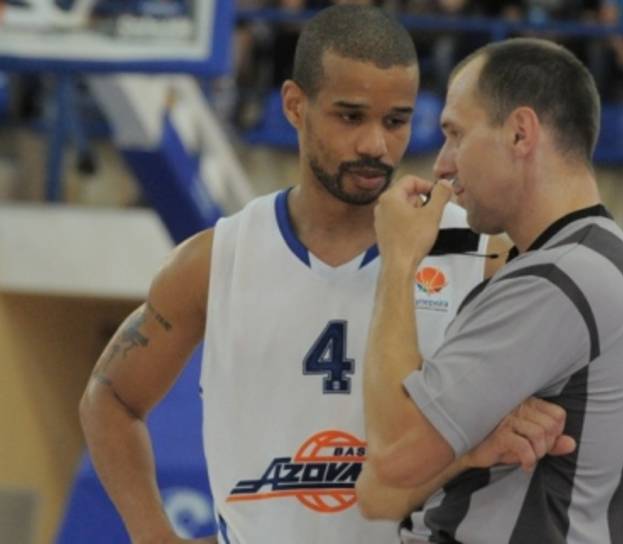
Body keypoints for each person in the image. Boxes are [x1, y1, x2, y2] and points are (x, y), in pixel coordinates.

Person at [78, 6, 575, 544]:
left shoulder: (481, 254)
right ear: (295, 105)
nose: (375, 145)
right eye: (350, 117)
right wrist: (153, 534)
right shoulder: (216, 260)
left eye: (396, 121)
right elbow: (109, 399)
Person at [358, 37, 623, 543]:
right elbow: (381, 489)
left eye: (456, 135)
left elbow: (393, 455)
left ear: (521, 133)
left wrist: (397, 259)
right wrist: (470, 449)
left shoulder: (561, 278)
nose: (442, 165)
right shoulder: (591, 262)